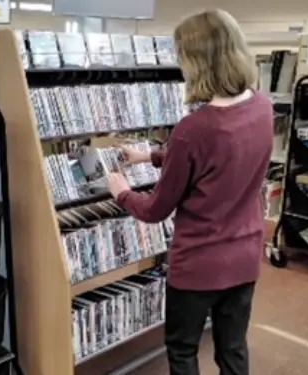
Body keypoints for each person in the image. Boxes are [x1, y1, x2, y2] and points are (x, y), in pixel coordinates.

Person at [106, 9, 273, 375]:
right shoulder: (262, 107)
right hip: (244, 257)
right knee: (232, 349)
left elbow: (154, 210)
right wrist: (150, 155)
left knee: (182, 350)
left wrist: (121, 191)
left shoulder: (192, 128)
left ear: (198, 62)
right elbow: (223, 159)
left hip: (198, 265)